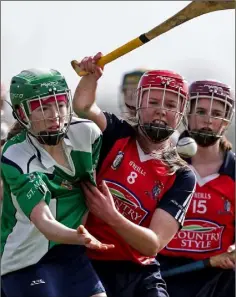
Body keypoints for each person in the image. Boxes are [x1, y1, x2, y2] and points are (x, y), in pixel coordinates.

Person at [72, 52, 197, 297]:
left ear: (181, 113)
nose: (161, 111)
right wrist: (91, 77)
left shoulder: (181, 174)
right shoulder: (117, 134)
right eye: (153, 102)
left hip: (138, 272)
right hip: (87, 261)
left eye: (171, 105)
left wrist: (111, 216)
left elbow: (152, 244)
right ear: (138, 103)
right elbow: (84, 106)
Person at [1, 68, 114, 297]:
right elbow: (44, 222)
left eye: (60, 104)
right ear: (23, 115)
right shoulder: (15, 155)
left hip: (71, 252)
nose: (55, 114)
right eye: (43, 107)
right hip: (25, 260)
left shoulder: (87, 134)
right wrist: (81, 236)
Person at [158, 79, 235, 297]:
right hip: (160, 277)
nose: (208, 120)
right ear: (187, 114)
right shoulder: (161, 165)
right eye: (200, 111)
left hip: (219, 282)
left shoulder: (234, 173)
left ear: (226, 121)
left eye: (217, 113)